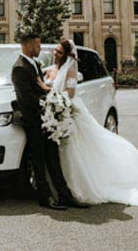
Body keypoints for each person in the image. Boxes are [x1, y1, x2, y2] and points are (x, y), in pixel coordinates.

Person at [44, 38, 138, 209]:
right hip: (55, 111)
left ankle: (75, 188)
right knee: (66, 149)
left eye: (59, 52)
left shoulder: (71, 70)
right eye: (55, 50)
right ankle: (58, 188)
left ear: (67, 55)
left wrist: (55, 100)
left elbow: (69, 92)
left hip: (68, 110)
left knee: (76, 149)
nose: (55, 54)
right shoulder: (49, 70)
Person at [11, 32, 89, 210]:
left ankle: (65, 196)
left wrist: (51, 104)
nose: (40, 49)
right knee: (39, 161)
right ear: (29, 46)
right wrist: (51, 100)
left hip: (48, 120)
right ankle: (45, 198)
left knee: (53, 160)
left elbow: (42, 92)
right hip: (35, 121)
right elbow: (28, 99)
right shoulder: (19, 68)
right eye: (38, 46)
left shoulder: (34, 64)